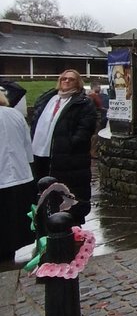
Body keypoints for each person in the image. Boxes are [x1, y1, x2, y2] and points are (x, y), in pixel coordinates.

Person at [30, 70, 97, 225]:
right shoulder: (48, 99)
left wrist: (69, 144)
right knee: (43, 191)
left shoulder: (83, 103)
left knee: (67, 195)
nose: (66, 81)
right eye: (64, 78)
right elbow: (35, 121)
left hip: (68, 158)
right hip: (41, 154)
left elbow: (85, 129)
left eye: (71, 79)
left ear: (78, 83)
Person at [0, 88, 35, 263]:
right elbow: (26, 142)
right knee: (13, 221)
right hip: (21, 176)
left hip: (4, 178)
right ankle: (9, 253)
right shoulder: (14, 114)